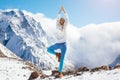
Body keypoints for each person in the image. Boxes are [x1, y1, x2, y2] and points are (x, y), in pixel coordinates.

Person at [47, 6, 69, 78]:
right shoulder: (57, 25)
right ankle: (57, 54)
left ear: (64, 22)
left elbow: (67, 18)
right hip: (58, 44)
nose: (62, 21)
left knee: (62, 59)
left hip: (64, 45)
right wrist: (60, 10)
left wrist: (64, 10)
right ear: (59, 21)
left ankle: (60, 73)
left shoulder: (65, 26)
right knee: (48, 49)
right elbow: (58, 16)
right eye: (61, 20)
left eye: (63, 21)